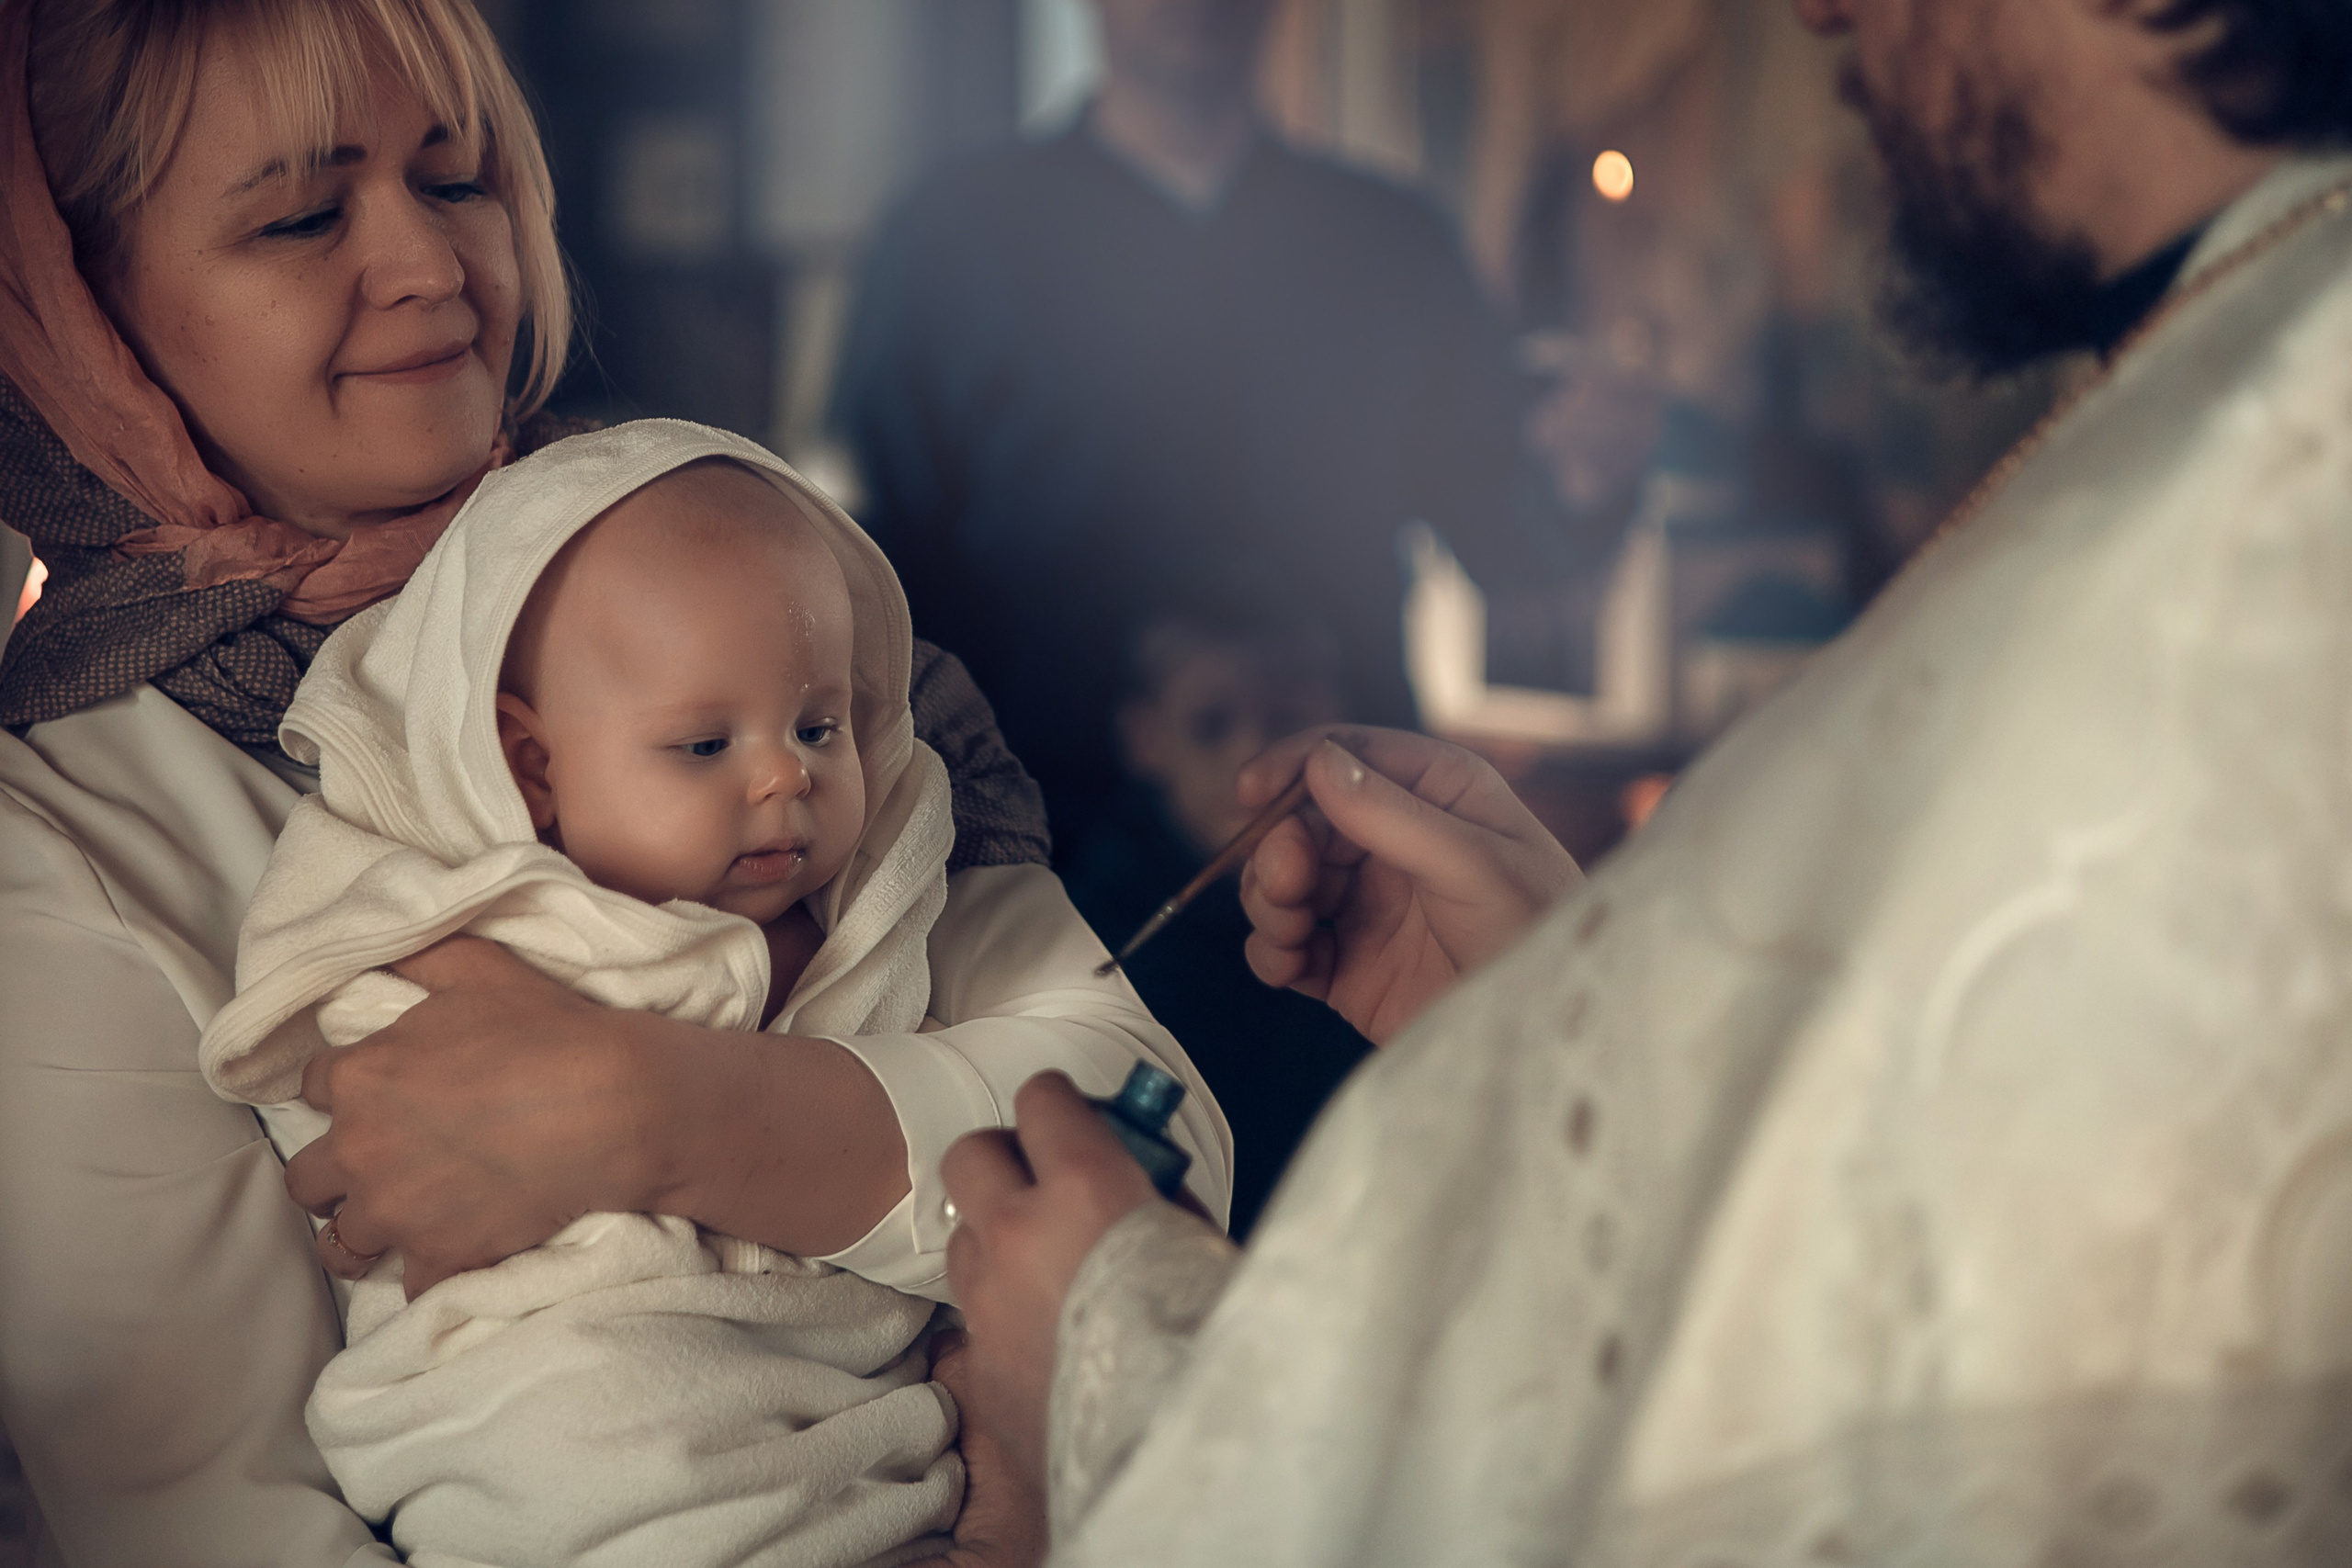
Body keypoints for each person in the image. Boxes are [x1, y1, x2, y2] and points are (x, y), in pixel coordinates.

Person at [937, 0, 2352, 1559]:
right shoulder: (953, 235)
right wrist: (1574, 987)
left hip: (1314, 856)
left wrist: (1120, 1359)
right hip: (1063, 885)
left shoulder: (2270, 501)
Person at [0, 3, 1063, 1559]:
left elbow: (1144, 1124)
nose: (431, 266)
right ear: (79, 308)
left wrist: (666, 1111)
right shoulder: (69, 846)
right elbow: (219, 1519)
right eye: (301, 213)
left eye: (461, 178)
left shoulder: (735, 586)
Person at [196, 423, 1230, 1566]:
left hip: (861, 1417)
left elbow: (1156, 1147)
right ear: (531, 767)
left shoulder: (891, 882)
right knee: (581, 1424)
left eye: (818, 725)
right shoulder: (446, 915)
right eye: (701, 745)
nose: (785, 773)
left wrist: (659, 1099)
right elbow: (328, 1061)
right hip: (558, 1391)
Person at [831, 0, 1555, 847]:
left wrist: (1584, 483)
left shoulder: (1397, 240)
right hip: (1037, 844)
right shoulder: (944, 236)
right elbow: (886, 567)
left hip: (1349, 829)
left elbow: (1508, 534)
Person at [1062, 611, 1368, 1237]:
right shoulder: (1083, 928)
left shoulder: (1375, 907)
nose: (1249, 751)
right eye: (1209, 725)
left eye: (1284, 721)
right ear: (1143, 736)